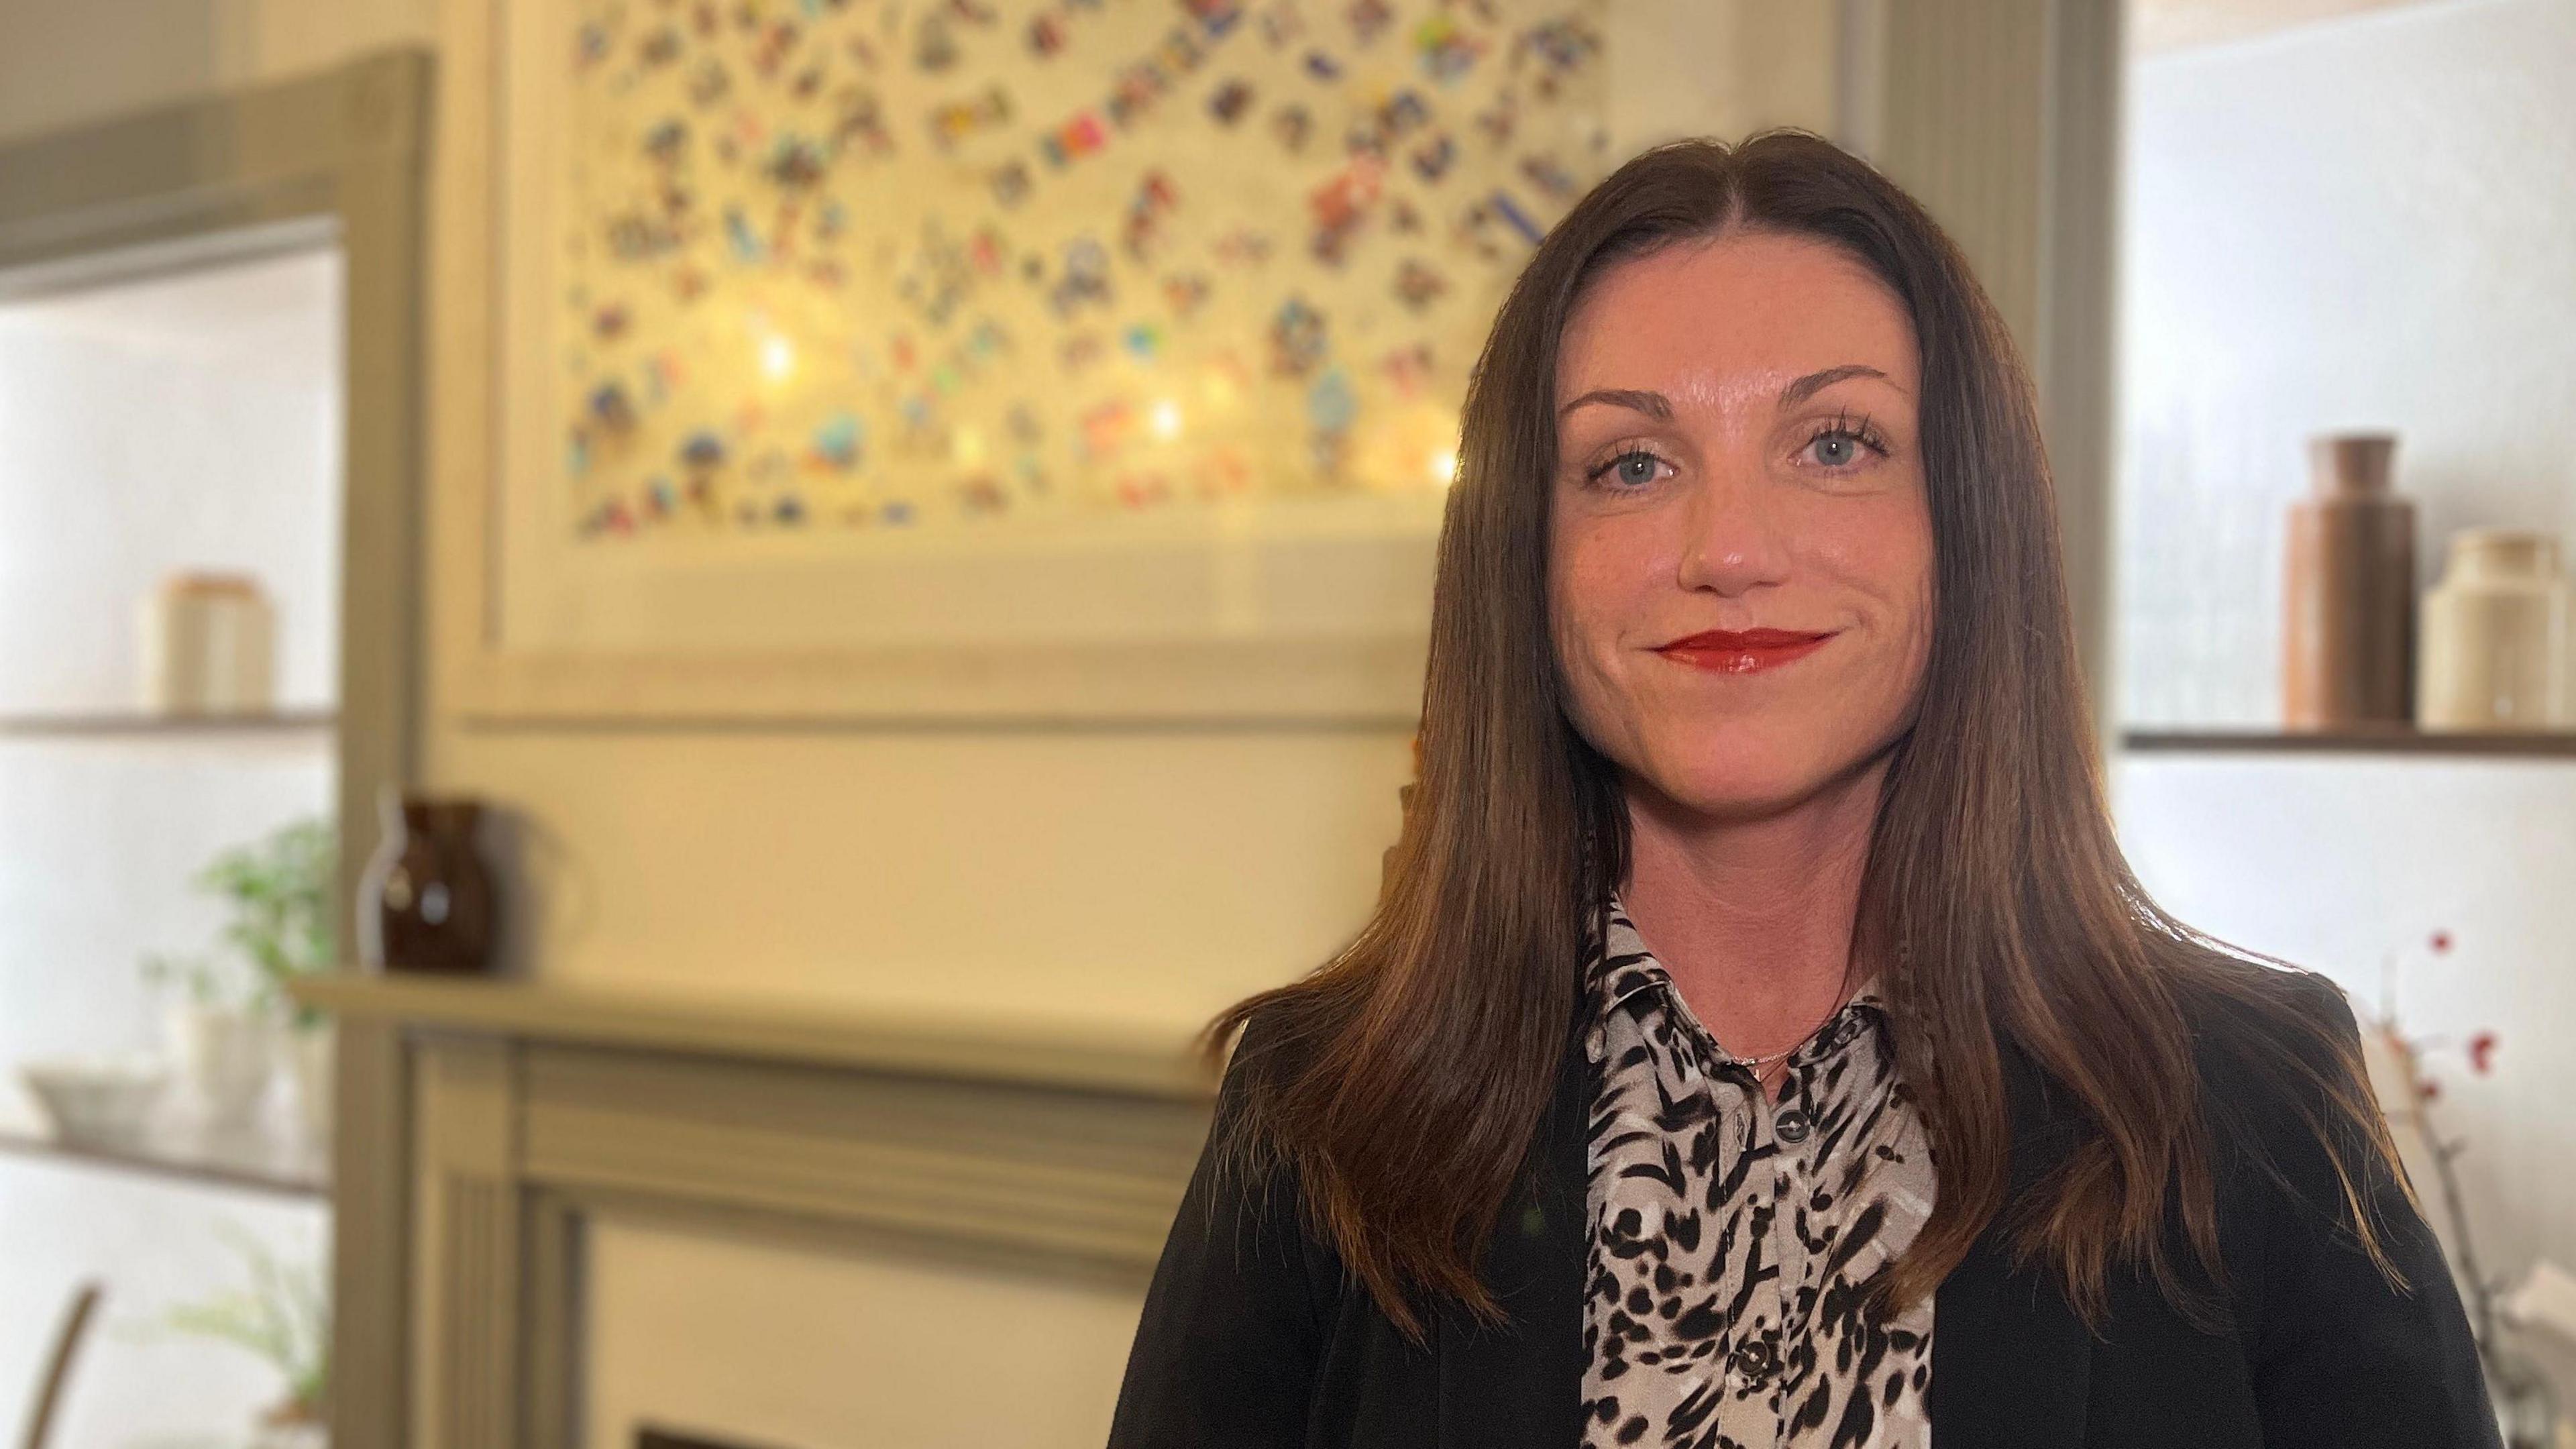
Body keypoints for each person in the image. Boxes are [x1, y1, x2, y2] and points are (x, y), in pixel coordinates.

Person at [1106, 131, 2497, 1448]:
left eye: (1835, 443)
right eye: (1631, 464)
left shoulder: (2256, 1110)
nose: (1731, 548)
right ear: (1526, 560)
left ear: (1969, 521)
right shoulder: (1322, 1115)